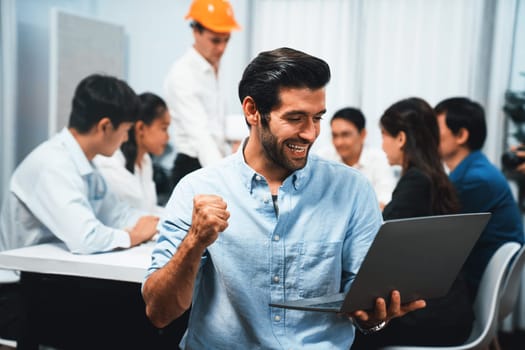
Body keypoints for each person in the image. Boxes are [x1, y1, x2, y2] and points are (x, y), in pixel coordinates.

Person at [142, 47, 425, 349]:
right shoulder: (196, 188)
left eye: (317, 118)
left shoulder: (352, 191)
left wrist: (375, 318)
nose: (310, 134)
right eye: (295, 118)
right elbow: (159, 313)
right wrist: (194, 242)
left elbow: (364, 308)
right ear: (252, 111)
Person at [0, 74, 159, 341]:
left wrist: (161, 224)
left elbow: (117, 213)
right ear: (105, 126)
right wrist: (134, 236)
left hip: (55, 281)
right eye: (125, 130)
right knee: (131, 319)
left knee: (135, 313)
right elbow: (84, 238)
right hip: (17, 295)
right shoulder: (53, 164)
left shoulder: (84, 163)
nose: (125, 139)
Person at [352, 97, 474, 349]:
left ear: (401, 138)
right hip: (449, 306)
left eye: (384, 134)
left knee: (350, 331)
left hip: (429, 315)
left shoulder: (416, 181)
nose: (382, 144)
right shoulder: (435, 177)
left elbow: (382, 239)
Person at [434, 97, 524, 300]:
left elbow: (438, 233)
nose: (429, 137)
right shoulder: (474, 169)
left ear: (461, 135)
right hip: (479, 276)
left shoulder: (474, 180)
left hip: (480, 285)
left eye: (435, 129)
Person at [164, 0, 241, 189]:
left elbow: (216, 124)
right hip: (193, 165)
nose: (222, 48)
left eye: (226, 40)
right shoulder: (182, 74)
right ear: (195, 31)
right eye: (215, 40)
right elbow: (200, 136)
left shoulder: (214, 67)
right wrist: (226, 178)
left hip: (214, 161)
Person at [95, 92, 170, 215]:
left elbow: (149, 209)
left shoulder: (145, 161)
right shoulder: (110, 162)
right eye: (164, 128)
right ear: (141, 128)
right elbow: (138, 212)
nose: (168, 137)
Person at [317, 107, 396, 209]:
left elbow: (386, 199)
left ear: (363, 134)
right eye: (334, 135)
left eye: (345, 135)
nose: (339, 142)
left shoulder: (379, 159)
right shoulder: (323, 158)